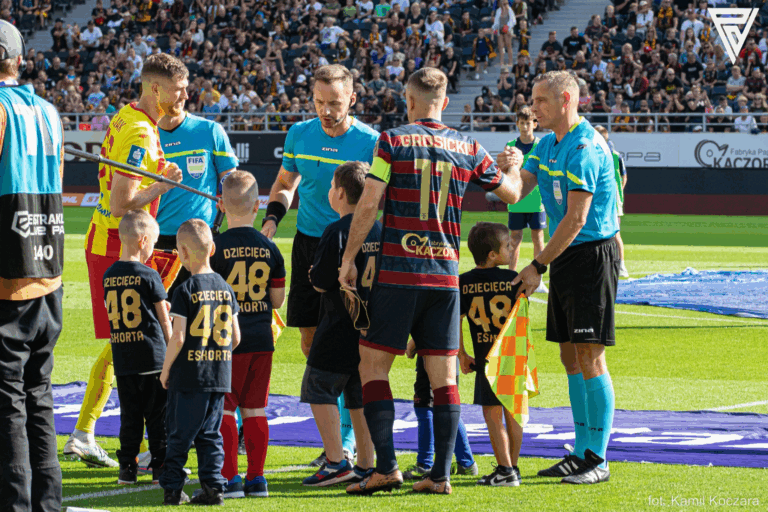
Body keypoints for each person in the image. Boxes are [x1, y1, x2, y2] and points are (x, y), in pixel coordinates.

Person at [338, 67, 524, 496]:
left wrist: (350, 258)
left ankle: (386, 467)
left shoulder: (393, 140)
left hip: (398, 274)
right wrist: (512, 166)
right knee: (445, 378)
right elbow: (512, 193)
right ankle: (439, 475)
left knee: (372, 365)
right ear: (445, 102)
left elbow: (369, 202)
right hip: (444, 279)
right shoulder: (469, 146)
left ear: (409, 99)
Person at [64, 53, 186, 468]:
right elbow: (121, 205)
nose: (184, 95)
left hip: (113, 244)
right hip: (119, 246)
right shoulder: (138, 130)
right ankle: (108, 436)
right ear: (156, 88)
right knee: (135, 342)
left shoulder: (128, 116)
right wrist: (163, 186)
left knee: (129, 341)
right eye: (178, 88)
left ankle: (87, 432)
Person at [497, 71, 618, 485]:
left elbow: (576, 219)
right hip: (565, 257)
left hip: (588, 257)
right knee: (569, 356)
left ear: (566, 99)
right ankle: (582, 450)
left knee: (590, 356)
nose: (533, 108)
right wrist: (503, 172)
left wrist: (537, 266)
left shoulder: (585, 147)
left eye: (540, 101)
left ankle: (597, 458)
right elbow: (517, 191)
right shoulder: (547, 143)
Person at [261, 64, 379, 467]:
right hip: (309, 246)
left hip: (354, 249)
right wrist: (272, 220)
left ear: (352, 99)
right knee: (312, 341)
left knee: (351, 346)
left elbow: (378, 201)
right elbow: (284, 184)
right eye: (319, 102)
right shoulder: (299, 133)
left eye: (334, 102)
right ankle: (338, 437)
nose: (326, 110)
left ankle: (347, 440)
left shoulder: (371, 142)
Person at [0, 19, 65, 512]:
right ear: (19, 59)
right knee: (37, 394)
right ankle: (47, 502)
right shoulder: (48, 110)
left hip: (7, 271)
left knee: (8, 402)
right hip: (49, 265)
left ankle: (17, 502)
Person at [301, 161, 378, 487]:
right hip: (369, 327)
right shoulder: (378, 227)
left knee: (318, 387)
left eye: (332, 187)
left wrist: (314, 275)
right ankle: (365, 463)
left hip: (338, 323)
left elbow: (321, 282)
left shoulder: (337, 230)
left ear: (341, 192)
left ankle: (335, 461)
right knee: (358, 395)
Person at [210, 171, 286, 499]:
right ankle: (257, 478)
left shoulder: (215, 248)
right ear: (258, 205)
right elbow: (278, 300)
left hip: (227, 339)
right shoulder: (270, 249)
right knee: (255, 409)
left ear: (221, 206)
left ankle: (230, 478)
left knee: (226, 408)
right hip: (262, 339)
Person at [159, 219, 240, 506]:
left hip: (189, 375)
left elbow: (178, 337)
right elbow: (236, 337)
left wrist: (166, 369)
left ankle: (172, 489)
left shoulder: (185, 289)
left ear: (182, 252)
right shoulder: (225, 288)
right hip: (218, 375)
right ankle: (213, 488)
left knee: (179, 434)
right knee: (210, 434)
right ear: (212, 248)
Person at [104, 210, 171, 486]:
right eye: (153, 243)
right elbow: (164, 320)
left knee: (129, 418)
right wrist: (173, 352)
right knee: (158, 418)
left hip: (124, 358)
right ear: (143, 240)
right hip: (152, 358)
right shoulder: (150, 274)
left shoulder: (109, 275)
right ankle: (160, 469)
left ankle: (127, 470)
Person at [458, 222, 523, 486]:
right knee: (513, 413)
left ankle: (505, 470)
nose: (512, 248)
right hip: (514, 356)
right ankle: (512, 468)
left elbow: (456, 319)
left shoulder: (464, 282)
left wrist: (462, 353)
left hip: (486, 358)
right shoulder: (513, 279)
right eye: (507, 245)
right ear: (494, 255)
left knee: (492, 414)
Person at [402, 341, 477, 480]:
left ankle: (425, 464)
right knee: (447, 407)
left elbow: (428, 320)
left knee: (425, 406)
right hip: (449, 354)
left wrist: (413, 343)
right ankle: (466, 463)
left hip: (433, 352)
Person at [505, 108, 548, 292]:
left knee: (538, 239)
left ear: (535, 124)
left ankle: (539, 278)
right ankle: (511, 277)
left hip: (537, 202)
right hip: (516, 202)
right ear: (517, 124)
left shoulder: (541, 145)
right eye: (521, 123)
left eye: (528, 123)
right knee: (514, 240)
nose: (524, 127)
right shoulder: (510, 145)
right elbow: (506, 172)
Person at [594, 126, 629, 278]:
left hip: (613, 200)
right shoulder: (594, 153)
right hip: (599, 199)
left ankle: (621, 265)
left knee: (615, 233)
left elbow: (623, 176)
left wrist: (618, 191)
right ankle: (604, 264)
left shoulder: (615, 155)